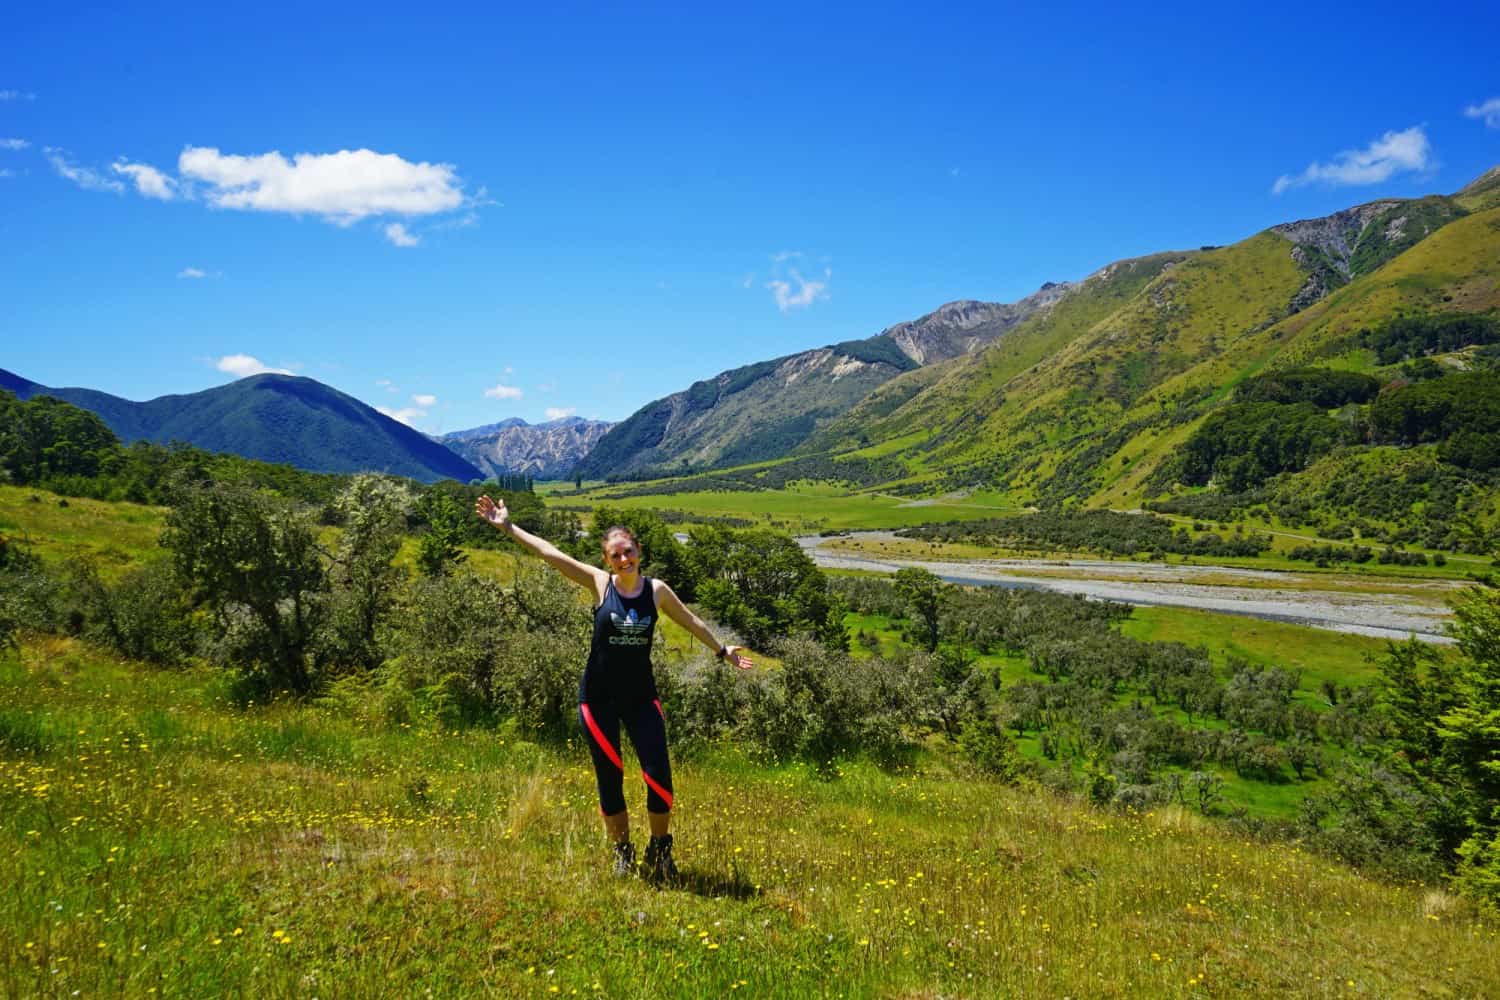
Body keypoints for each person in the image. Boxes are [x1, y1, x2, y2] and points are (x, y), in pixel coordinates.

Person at [474, 494, 752, 881]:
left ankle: (660, 852)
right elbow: (550, 554)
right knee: (610, 776)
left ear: (639, 551)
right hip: (598, 699)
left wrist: (722, 650)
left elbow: (688, 619)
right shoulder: (600, 583)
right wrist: (507, 527)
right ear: (607, 560)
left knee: (659, 775)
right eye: (616, 555)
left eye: (628, 552)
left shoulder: (656, 591)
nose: (623, 560)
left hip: (641, 698)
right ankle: (622, 852)